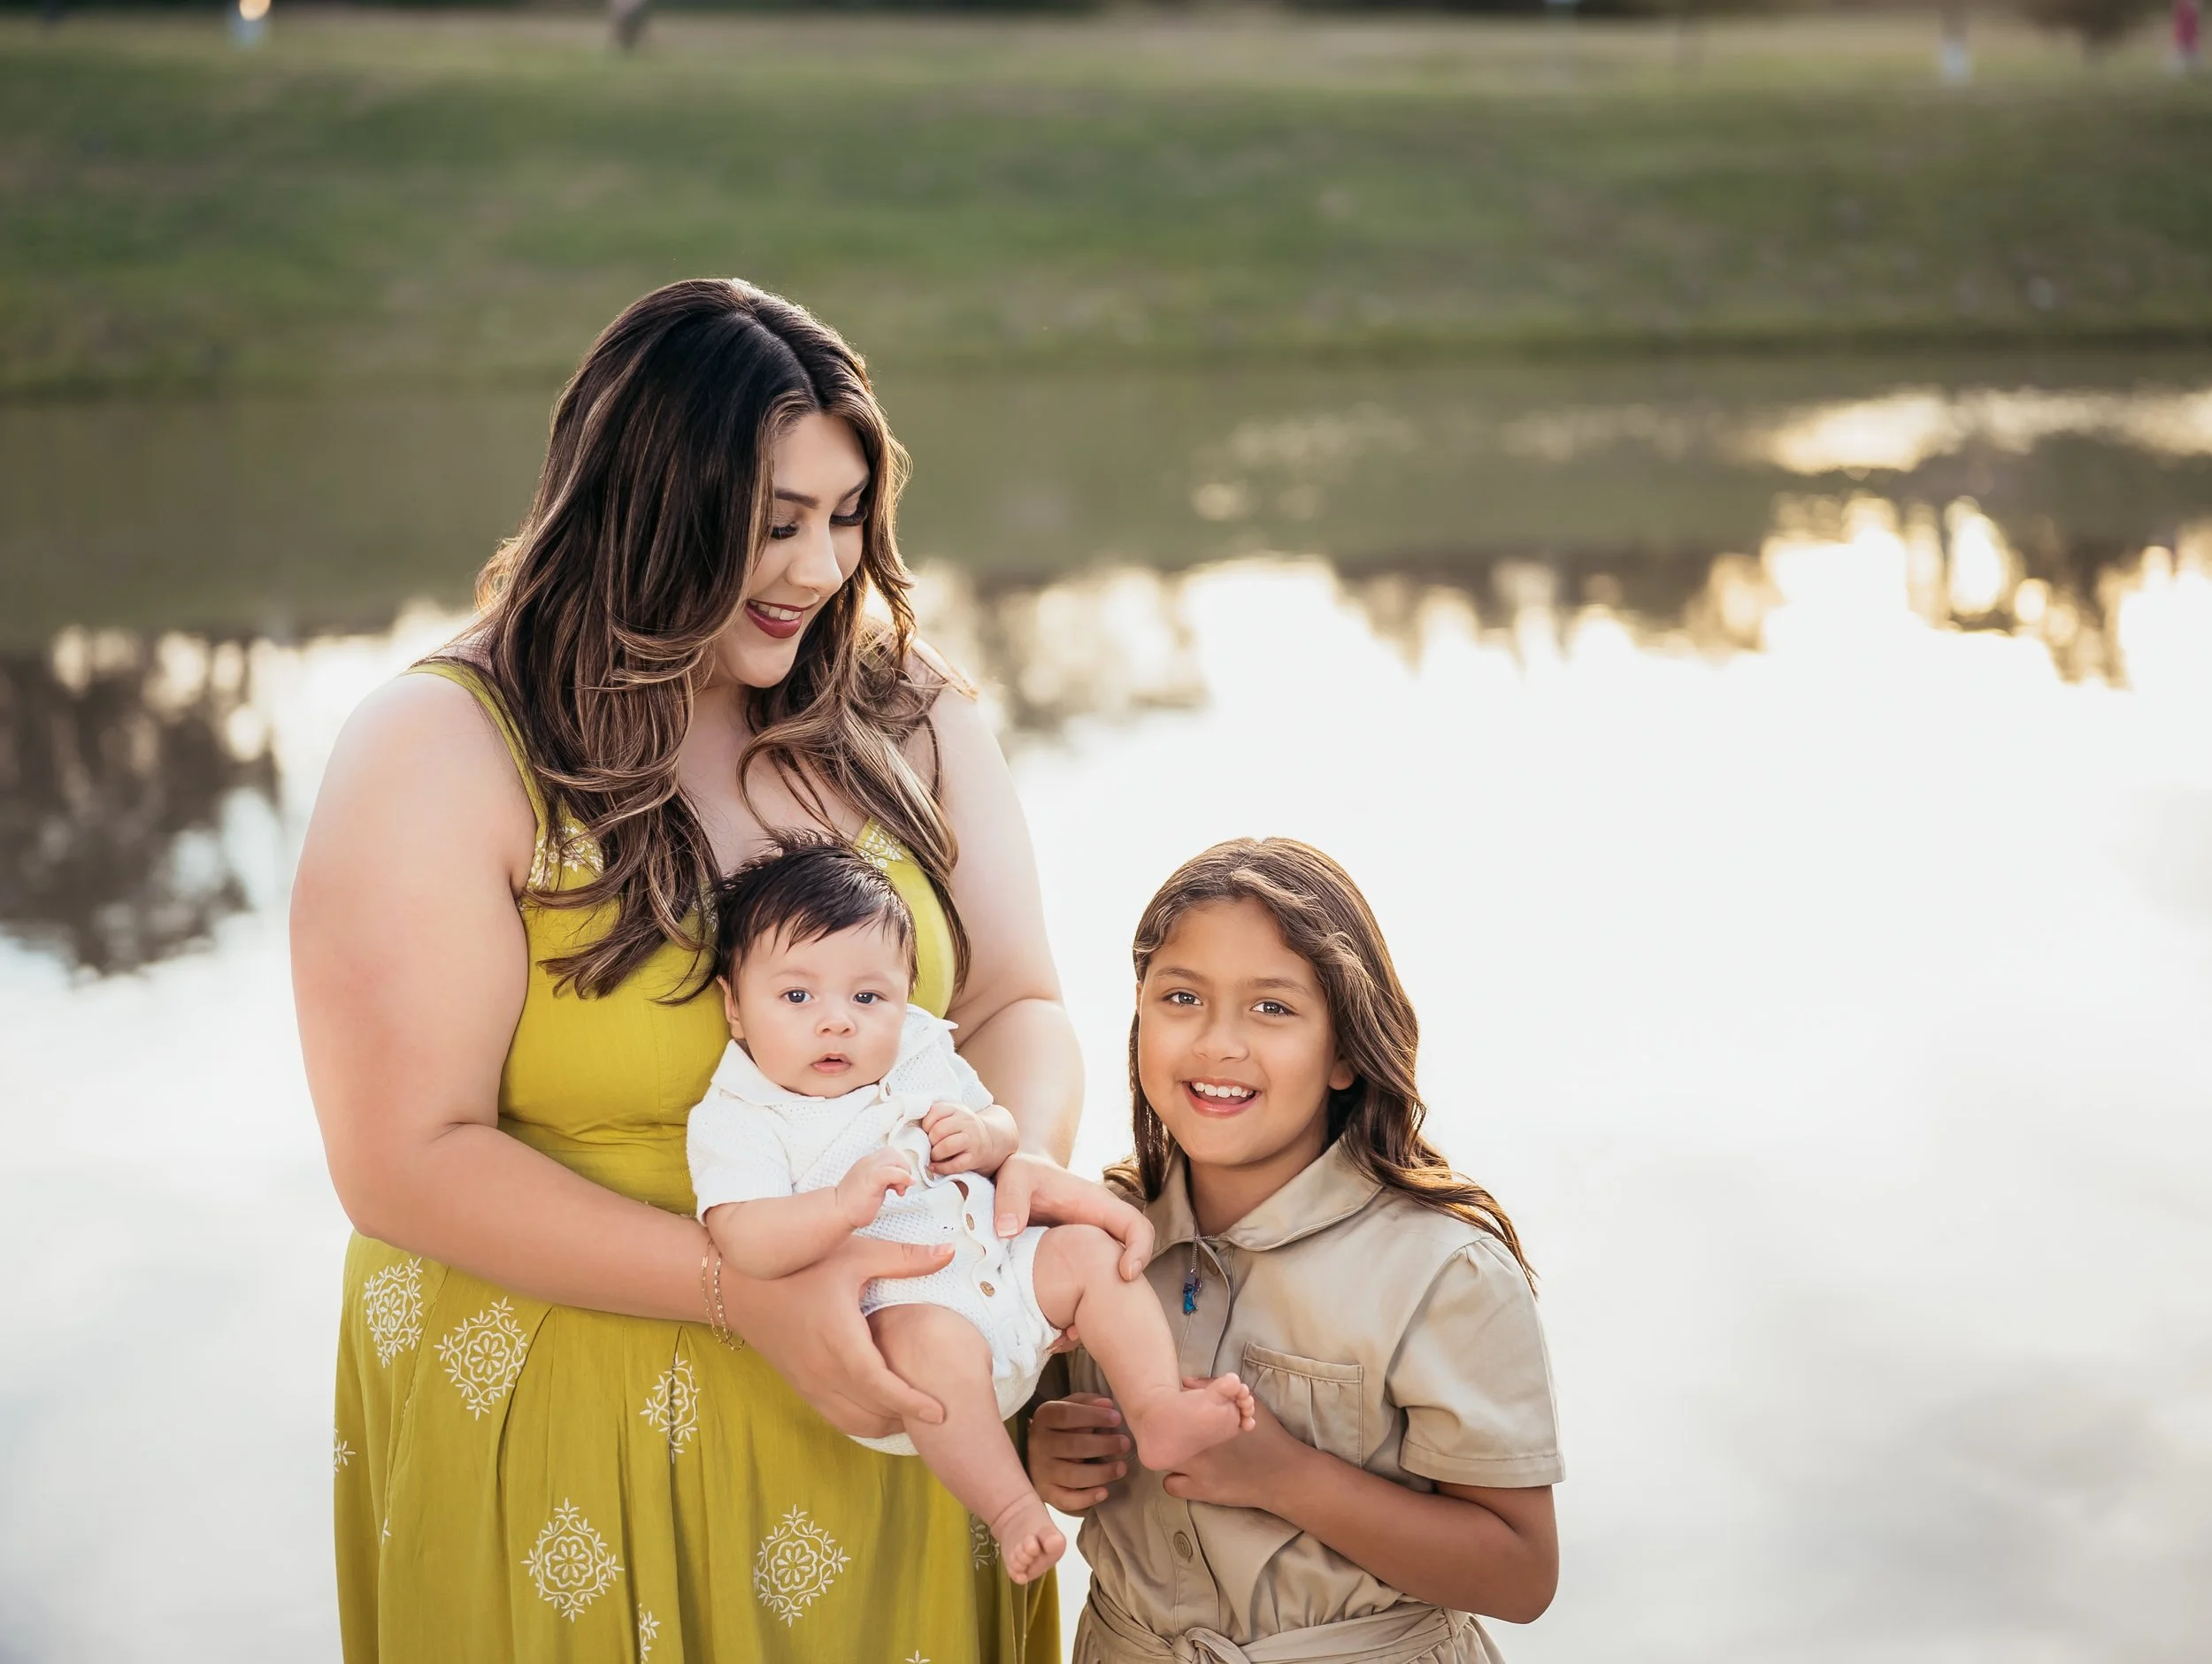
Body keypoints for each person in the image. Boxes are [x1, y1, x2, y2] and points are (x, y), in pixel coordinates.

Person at [294, 278, 1118, 1660]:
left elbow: (1013, 1004)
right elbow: (402, 1156)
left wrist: (1005, 1178)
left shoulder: (899, 712)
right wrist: (748, 1294)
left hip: (910, 1411)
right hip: (572, 1427)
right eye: (774, 522)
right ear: (642, 507)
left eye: (845, 518)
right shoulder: (439, 749)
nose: (818, 570)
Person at [1027, 839, 1564, 1664]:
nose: (1219, 1043)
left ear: (1346, 1050)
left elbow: (1522, 1574)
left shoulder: (1441, 1273)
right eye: (1182, 998)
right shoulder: (1092, 1235)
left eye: (1272, 1008)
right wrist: (1048, 1456)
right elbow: (1026, 1425)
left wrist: (1285, 1476)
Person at [688, 836, 1256, 1583]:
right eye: (797, 996)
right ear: (735, 1006)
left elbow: (1001, 1127)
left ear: (905, 997)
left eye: (868, 997)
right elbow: (743, 1237)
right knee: (933, 1339)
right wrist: (836, 1206)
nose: (837, 1022)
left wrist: (985, 1134)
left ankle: (1156, 1409)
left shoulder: (919, 1048)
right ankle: (1012, 1506)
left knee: (1087, 1252)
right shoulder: (743, 1112)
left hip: (1004, 1275)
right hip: (904, 1329)